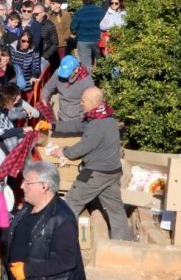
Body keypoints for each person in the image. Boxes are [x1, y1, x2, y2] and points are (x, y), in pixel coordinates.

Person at [8, 161, 88, 280]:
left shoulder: (62, 218)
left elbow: (68, 260)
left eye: (27, 182)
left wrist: (27, 270)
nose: (21, 186)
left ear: (44, 186)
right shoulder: (30, 206)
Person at [48, 87, 132, 241]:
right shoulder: (105, 115)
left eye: (83, 101)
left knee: (72, 201)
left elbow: (84, 146)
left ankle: (61, 240)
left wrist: (64, 151)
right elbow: (78, 125)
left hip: (96, 173)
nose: (80, 103)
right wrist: (53, 126)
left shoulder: (96, 125)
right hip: (112, 172)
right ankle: (122, 243)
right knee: (115, 210)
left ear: (92, 102)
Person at [0, 83, 34, 154]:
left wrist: (24, 111)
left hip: (3, 148)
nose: (14, 105)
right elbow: (3, 133)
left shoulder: (3, 109)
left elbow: (14, 112)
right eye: (13, 101)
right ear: (7, 99)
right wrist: (23, 129)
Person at [40, 55, 95, 121]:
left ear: (76, 69)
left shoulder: (87, 82)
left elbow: (92, 104)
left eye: (67, 74)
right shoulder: (58, 73)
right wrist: (44, 98)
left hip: (78, 120)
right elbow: (48, 88)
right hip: (62, 116)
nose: (64, 76)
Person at [70, 0, 106, 69]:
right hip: (98, 40)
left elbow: (73, 28)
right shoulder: (101, 11)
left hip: (83, 40)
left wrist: (75, 32)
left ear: (82, 0)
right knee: (102, 63)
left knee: (86, 66)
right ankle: (103, 80)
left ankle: (88, 81)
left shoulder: (79, 12)